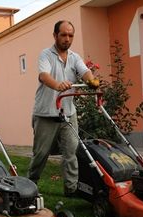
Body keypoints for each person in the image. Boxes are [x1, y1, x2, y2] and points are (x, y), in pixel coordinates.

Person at [27, 20, 99, 197]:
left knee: (71, 152)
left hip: (68, 113)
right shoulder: (46, 55)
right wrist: (58, 85)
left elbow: (85, 71)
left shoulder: (74, 57)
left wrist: (91, 80)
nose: (67, 39)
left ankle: (71, 189)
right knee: (41, 154)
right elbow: (43, 76)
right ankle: (30, 184)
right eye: (63, 35)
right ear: (55, 36)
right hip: (46, 113)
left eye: (70, 35)